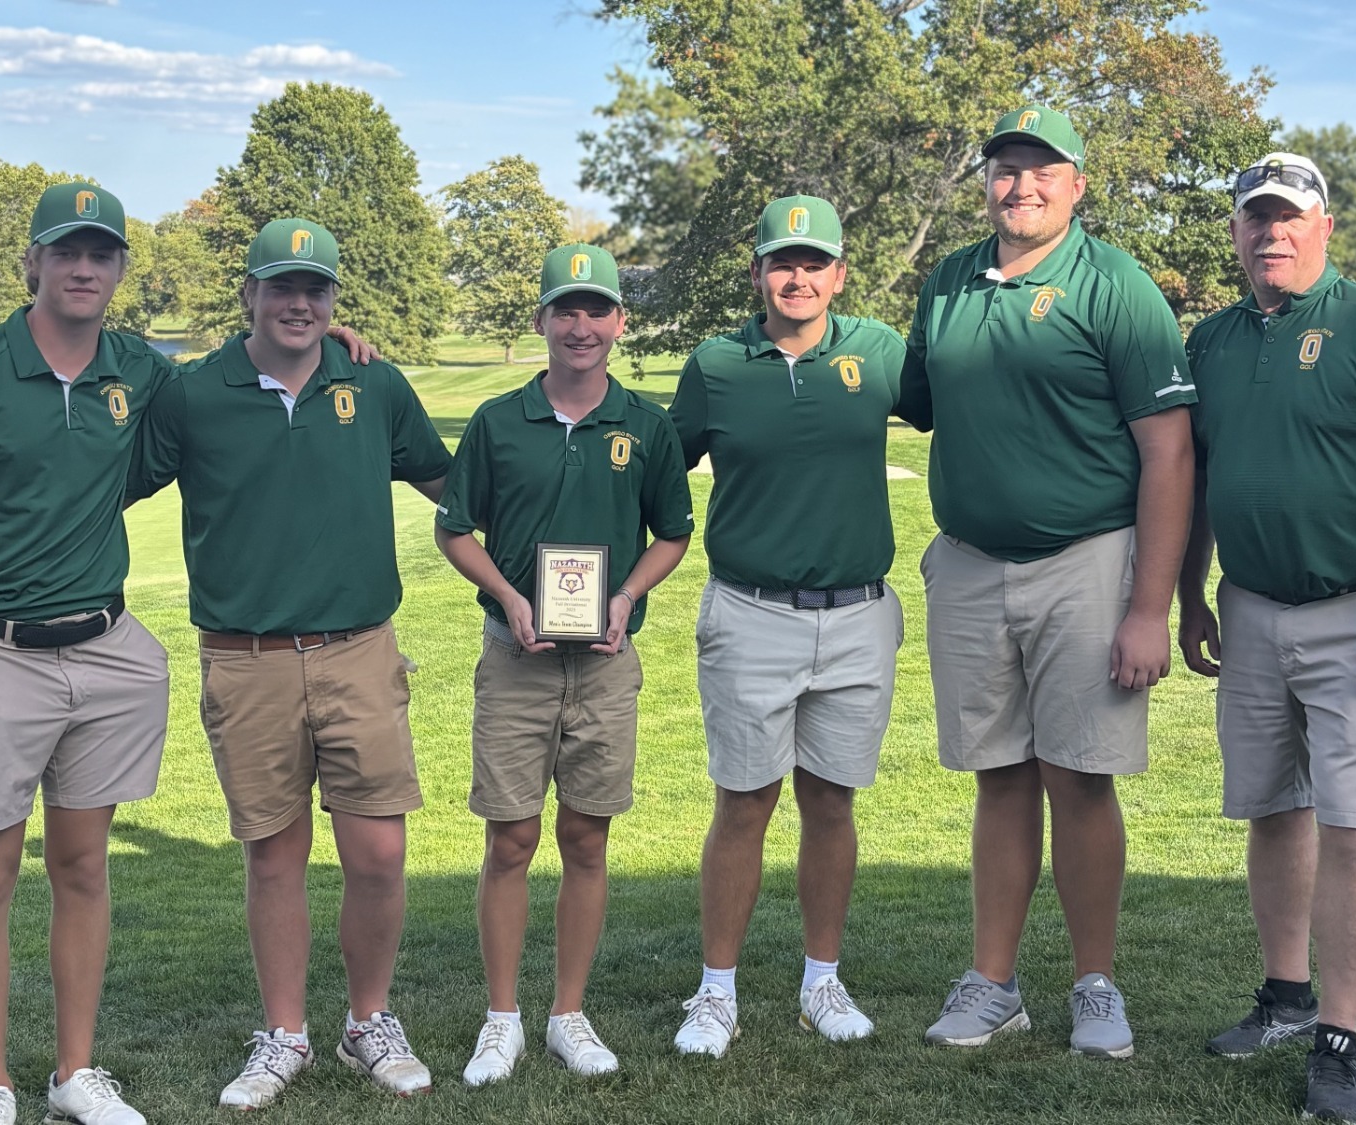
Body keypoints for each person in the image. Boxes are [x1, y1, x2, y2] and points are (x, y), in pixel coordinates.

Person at [895, 105, 1196, 1059]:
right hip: (973, 563)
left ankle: (1094, 983)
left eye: (1042, 170)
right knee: (1000, 776)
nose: (1020, 185)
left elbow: (1171, 453)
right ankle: (993, 983)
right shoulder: (949, 280)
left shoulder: (1116, 286)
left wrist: (1152, 605)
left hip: (1088, 560)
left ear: (1077, 184)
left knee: (1080, 776)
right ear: (985, 181)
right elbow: (913, 399)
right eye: (1006, 168)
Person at [127, 218, 449, 1103]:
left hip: (359, 650)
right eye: (282, 287)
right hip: (247, 658)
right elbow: (106, 481)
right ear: (250, 294)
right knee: (274, 855)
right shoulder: (194, 394)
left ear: (334, 299)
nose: (299, 304)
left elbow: (449, 484)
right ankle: (284, 1033)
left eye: (316, 289)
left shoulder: (373, 381)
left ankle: (367, 1022)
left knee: (378, 853)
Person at [1177, 152, 1356, 1122]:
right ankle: (1284, 998)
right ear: (1234, 232)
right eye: (1254, 217)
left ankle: (1337, 1040)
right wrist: (1189, 593)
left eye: (1288, 216)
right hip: (1251, 609)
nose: (1271, 232)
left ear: (1323, 227)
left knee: (1351, 825)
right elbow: (1198, 482)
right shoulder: (1209, 340)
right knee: (1271, 809)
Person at [0, 182, 174, 1125]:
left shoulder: (140, 368)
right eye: (65, 252)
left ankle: (73, 1073)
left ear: (121, 268)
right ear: (34, 264)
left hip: (103, 646)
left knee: (84, 866)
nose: (83, 268)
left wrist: (331, 339)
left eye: (100, 253)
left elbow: (247, 372)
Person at [434, 243, 693, 1085]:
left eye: (597, 310)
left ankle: (568, 1014)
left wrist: (623, 598)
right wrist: (511, 597)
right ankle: (501, 1016)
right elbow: (455, 528)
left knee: (587, 835)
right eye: (565, 310)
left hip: (607, 663)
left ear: (620, 322)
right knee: (510, 837)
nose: (581, 326)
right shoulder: (498, 421)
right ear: (542, 319)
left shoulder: (646, 426)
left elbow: (674, 533)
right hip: (517, 658)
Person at [664, 196, 908, 1057]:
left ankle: (820, 980)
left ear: (840, 274)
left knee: (831, 802)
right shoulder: (717, 363)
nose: (797, 277)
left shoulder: (880, 353)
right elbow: (658, 470)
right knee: (744, 802)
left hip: (858, 614)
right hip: (751, 611)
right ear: (759, 272)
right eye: (782, 262)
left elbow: (985, 401)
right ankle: (716, 990)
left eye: (814, 263)